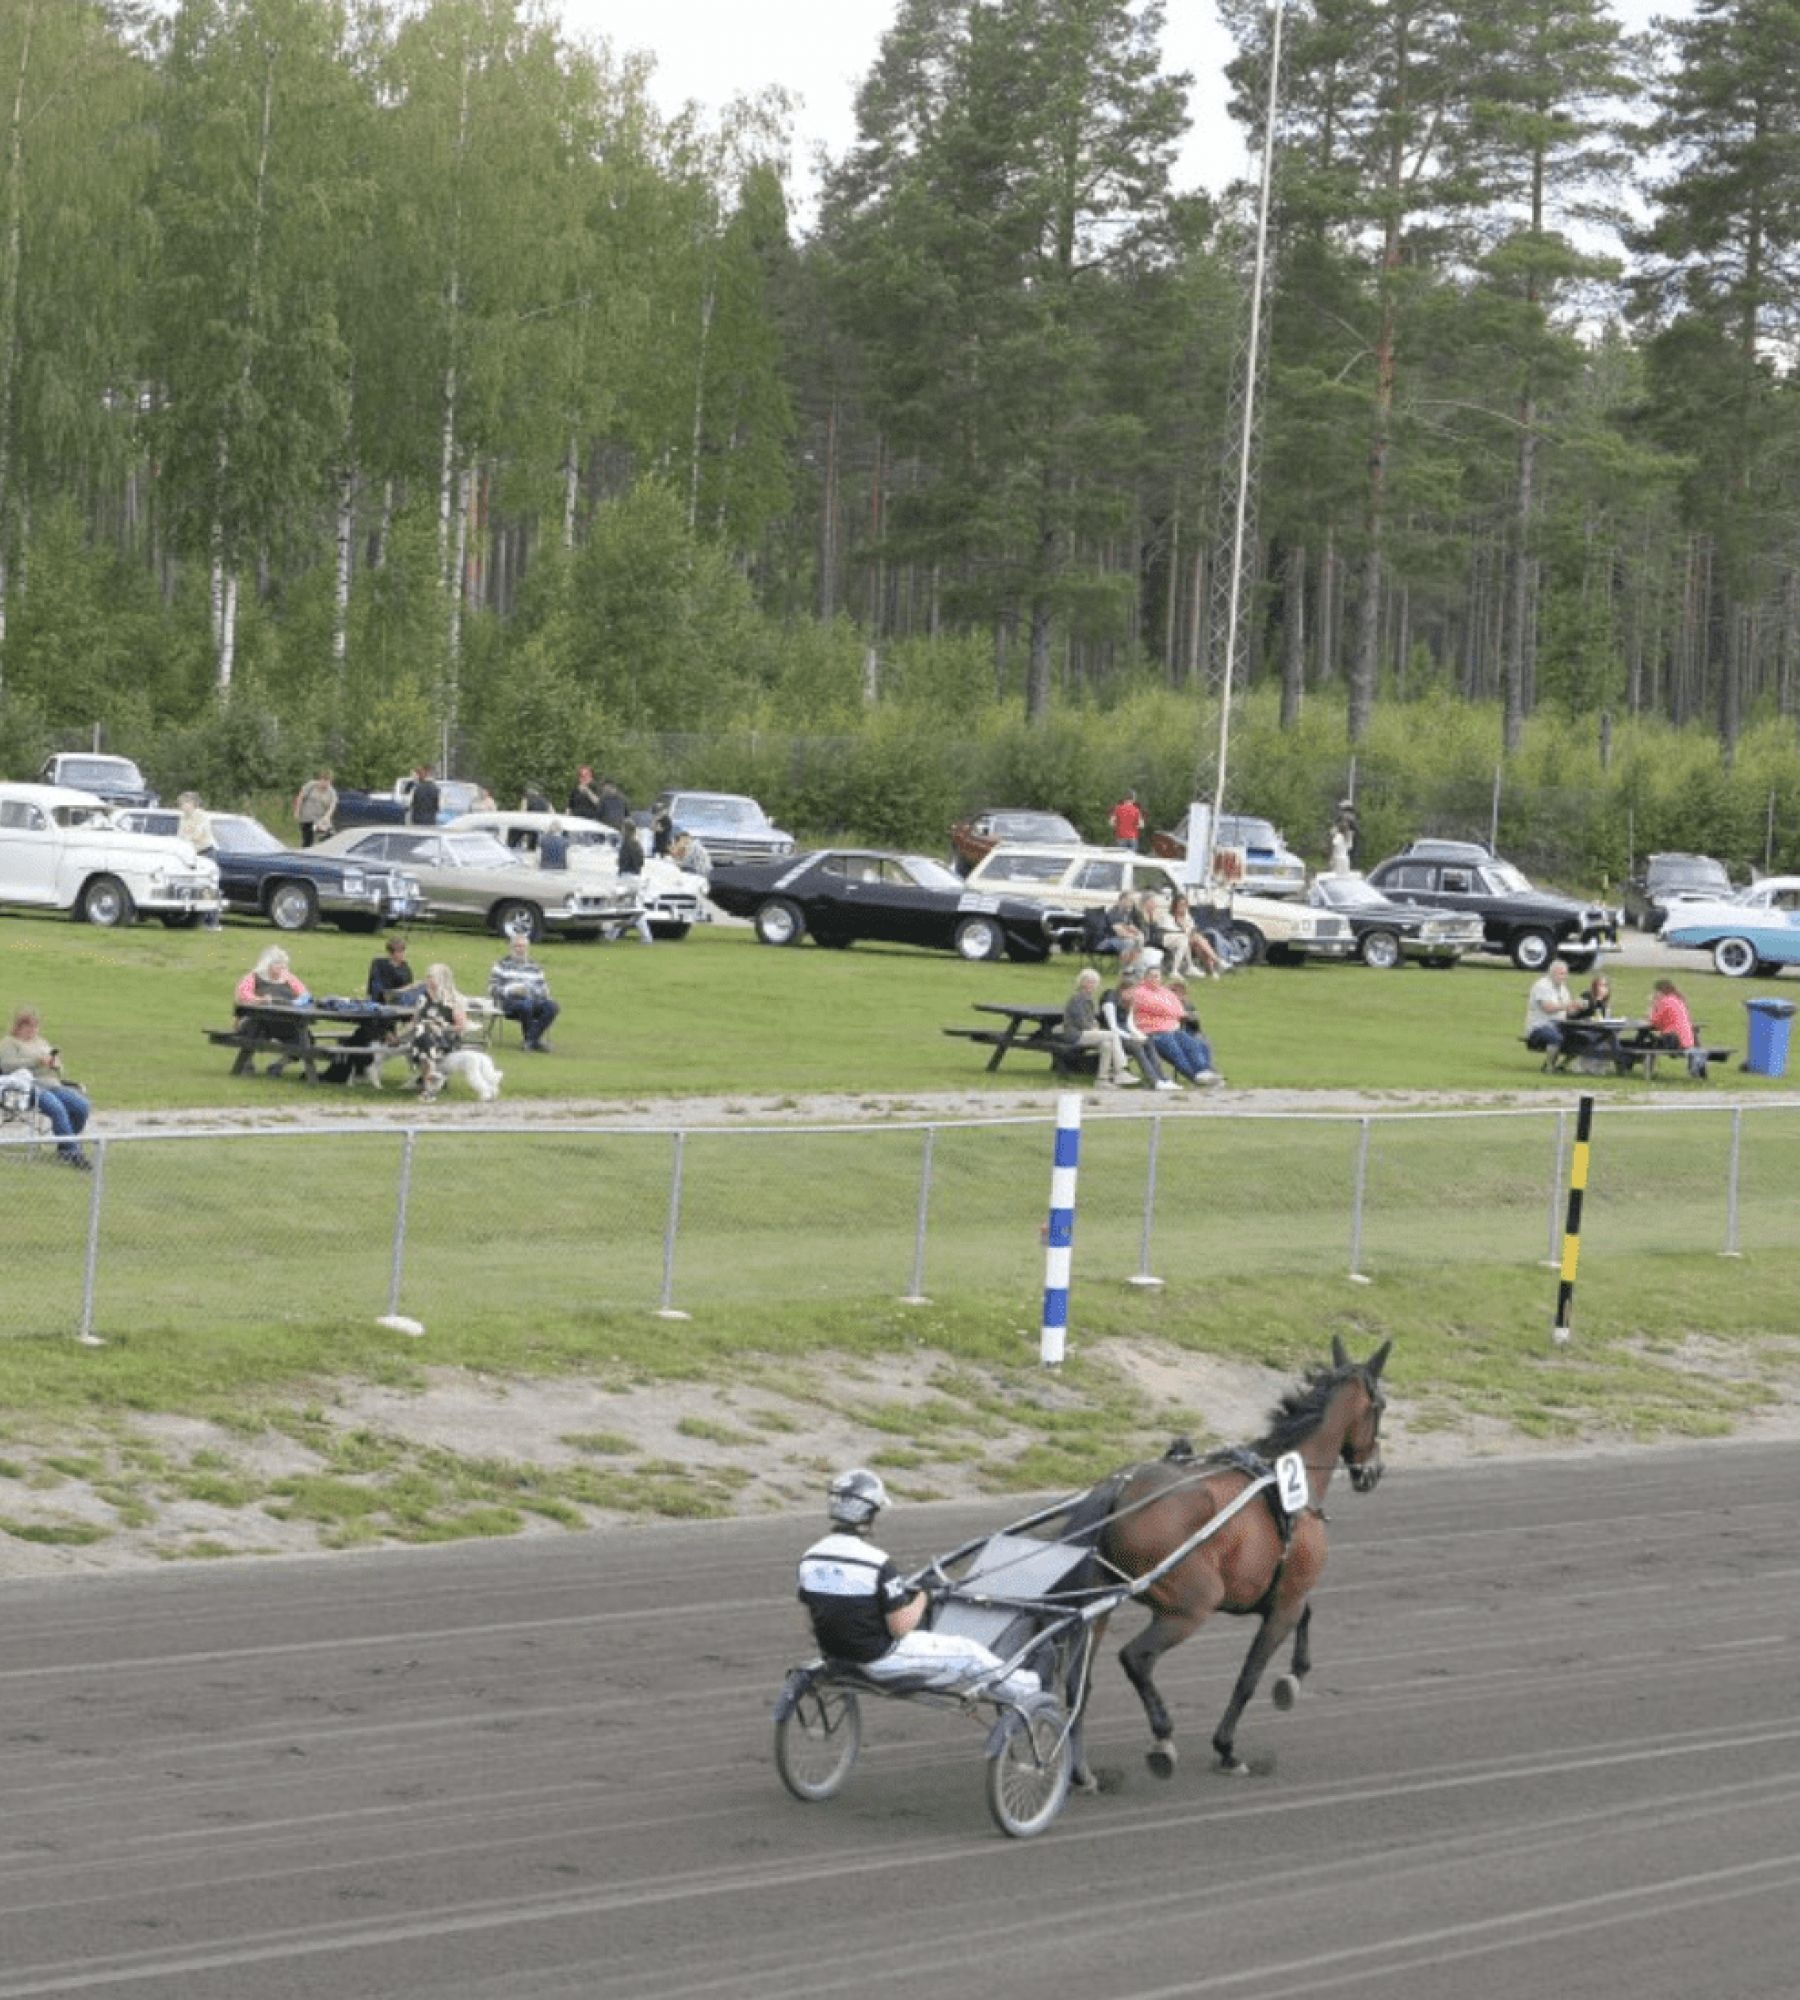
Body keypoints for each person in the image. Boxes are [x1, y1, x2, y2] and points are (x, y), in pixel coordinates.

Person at [796, 1470, 1041, 1703]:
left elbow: (813, 1617)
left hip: (836, 1656)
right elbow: (900, 1627)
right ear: (869, 1514)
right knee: (967, 1651)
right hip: (882, 1661)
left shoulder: (810, 1557)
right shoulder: (877, 1563)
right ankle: (1027, 1687)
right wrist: (925, 1595)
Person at [0, 1006, 92, 1170]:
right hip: (27, 1088)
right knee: (57, 1109)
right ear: (19, 1027)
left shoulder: (41, 1042)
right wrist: (36, 1061)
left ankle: (65, 1147)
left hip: (53, 1084)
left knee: (82, 1106)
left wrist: (55, 1064)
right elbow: (6, 1066)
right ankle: (73, 1154)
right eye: (29, 1027)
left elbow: (57, 1065)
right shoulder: (9, 1043)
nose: (33, 1030)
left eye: (35, 1026)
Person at [1129, 962, 1221, 1085]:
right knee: (1176, 1052)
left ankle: (1203, 1072)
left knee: (1192, 1044)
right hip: (1153, 1032)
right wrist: (1171, 1012)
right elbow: (1156, 1007)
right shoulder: (1140, 992)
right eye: (1151, 976)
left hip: (1173, 1030)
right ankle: (1195, 1077)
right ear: (1145, 977)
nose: (1154, 979)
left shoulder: (1165, 992)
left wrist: (1172, 1012)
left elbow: (1179, 1010)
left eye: (1157, 976)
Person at [1059, 968, 1136, 1088]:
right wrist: (1093, 1028)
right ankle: (1121, 1070)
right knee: (1113, 1035)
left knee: (1107, 1044)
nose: (1092, 985)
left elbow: (1091, 1019)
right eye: (1089, 982)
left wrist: (1094, 1025)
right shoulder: (1077, 998)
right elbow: (1081, 1022)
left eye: (1094, 982)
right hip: (1075, 1035)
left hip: (1085, 1033)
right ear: (1082, 982)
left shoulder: (1089, 999)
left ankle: (1101, 1080)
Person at [489, 932, 560, 1052]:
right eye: (517, 946)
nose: (520, 949)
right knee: (525, 1004)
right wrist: (510, 990)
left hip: (533, 999)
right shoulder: (501, 965)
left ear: (527, 948)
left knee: (552, 1007)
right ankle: (533, 1042)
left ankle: (530, 1040)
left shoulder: (535, 967)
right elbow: (492, 989)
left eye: (522, 946)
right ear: (511, 948)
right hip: (510, 1003)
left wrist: (532, 991)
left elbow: (544, 989)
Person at [409, 963, 467, 1102]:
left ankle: (428, 1086)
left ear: (441, 979)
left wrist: (441, 1028)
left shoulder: (453, 999)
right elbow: (414, 1022)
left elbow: (461, 1026)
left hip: (445, 1040)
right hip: (424, 1040)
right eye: (427, 976)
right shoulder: (422, 998)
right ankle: (430, 1085)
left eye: (431, 976)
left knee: (424, 1035)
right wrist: (398, 1037)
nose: (427, 979)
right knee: (424, 1030)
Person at [177, 791, 224, 928]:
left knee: (209, 887)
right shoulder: (183, 818)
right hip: (192, 855)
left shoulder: (202, 816)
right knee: (195, 886)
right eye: (181, 804)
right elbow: (180, 835)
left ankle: (212, 921)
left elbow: (197, 834)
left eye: (184, 803)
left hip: (206, 852)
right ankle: (197, 918)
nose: (182, 807)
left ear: (191, 804)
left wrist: (188, 839)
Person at [1524, 958, 1575, 1056]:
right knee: (1555, 1037)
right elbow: (1548, 1008)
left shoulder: (1563, 989)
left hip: (1559, 1026)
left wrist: (1577, 1007)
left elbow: (1569, 1010)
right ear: (1552, 973)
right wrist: (1567, 1005)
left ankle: (1563, 1065)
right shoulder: (1542, 985)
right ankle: (1549, 1066)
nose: (1564, 977)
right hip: (1539, 1027)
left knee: (1580, 1038)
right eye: (1561, 974)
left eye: (1565, 974)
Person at [235, 945, 309, 1007]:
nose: (282, 966)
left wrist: (295, 1003)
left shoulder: (289, 978)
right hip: (259, 1016)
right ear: (267, 964)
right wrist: (259, 1000)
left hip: (289, 1016)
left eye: (283, 963)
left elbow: (305, 995)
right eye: (277, 963)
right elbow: (243, 995)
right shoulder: (253, 977)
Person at [1642, 977, 1696, 1051]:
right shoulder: (1678, 1000)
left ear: (1660, 991)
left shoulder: (1664, 1001)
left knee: (1647, 1044)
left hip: (1675, 1041)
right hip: (1687, 1041)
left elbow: (1654, 1023)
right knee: (1650, 1040)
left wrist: (1652, 1004)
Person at [292, 768, 337, 847]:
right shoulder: (311, 785)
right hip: (306, 818)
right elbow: (300, 797)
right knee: (308, 840)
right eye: (323, 781)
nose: (325, 784)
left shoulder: (331, 792)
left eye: (327, 782)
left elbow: (332, 806)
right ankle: (306, 852)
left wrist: (327, 817)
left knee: (330, 834)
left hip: (319, 819)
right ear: (320, 780)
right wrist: (297, 811)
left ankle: (323, 843)